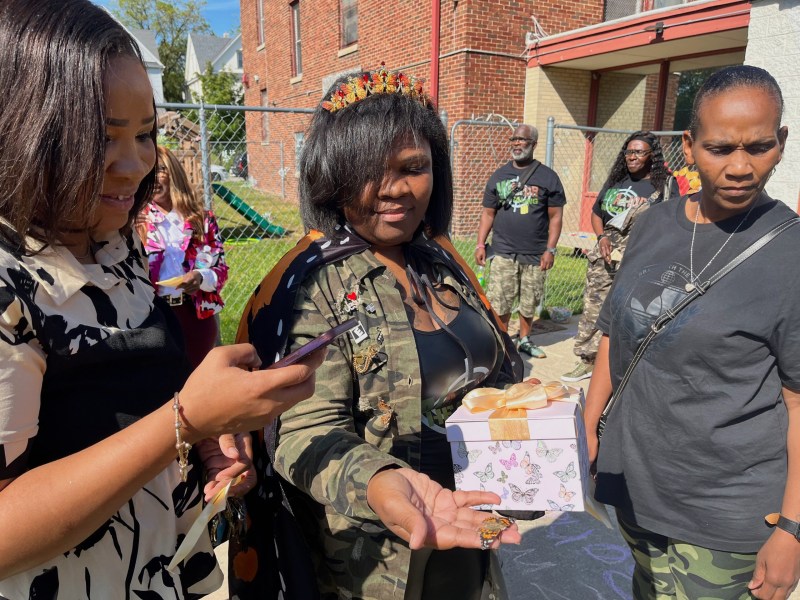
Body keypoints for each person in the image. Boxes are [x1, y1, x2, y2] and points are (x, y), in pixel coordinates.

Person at [0, 1, 330, 596]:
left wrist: (206, 441)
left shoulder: (113, 244)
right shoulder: (10, 283)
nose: (135, 165)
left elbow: (135, 404)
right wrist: (186, 419)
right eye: (103, 137)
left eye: (145, 134)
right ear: (26, 128)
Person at [231, 66, 524, 599]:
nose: (393, 189)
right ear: (331, 177)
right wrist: (378, 482)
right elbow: (301, 433)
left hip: (470, 520)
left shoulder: (442, 260)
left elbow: (493, 370)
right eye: (367, 170)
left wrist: (525, 425)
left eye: (413, 167)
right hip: (374, 557)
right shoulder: (310, 284)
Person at [584, 65, 800, 600]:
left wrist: (794, 529)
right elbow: (615, 331)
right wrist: (587, 426)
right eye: (720, 148)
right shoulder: (654, 224)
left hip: (725, 513)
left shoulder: (791, 254)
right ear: (688, 145)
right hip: (635, 486)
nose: (741, 167)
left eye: (760, 147)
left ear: (781, 141)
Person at [562, 131, 676, 382]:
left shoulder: (665, 185)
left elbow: (672, 221)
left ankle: (628, 362)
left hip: (642, 258)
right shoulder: (616, 182)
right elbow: (596, 213)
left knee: (635, 311)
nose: (632, 157)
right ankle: (588, 361)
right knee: (594, 307)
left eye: (639, 152)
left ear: (652, 155)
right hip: (606, 257)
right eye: (629, 152)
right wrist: (601, 237)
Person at [475, 124, 566, 359]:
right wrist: (480, 243)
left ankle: (525, 339)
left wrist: (551, 249)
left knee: (529, 302)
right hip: (503, 252)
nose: (516, 143)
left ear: (534, 144)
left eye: (522, 140)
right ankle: (503, 342)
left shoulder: (548, 177)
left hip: (535, 254)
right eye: (513, 139)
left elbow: (556, 217)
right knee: (500, 301)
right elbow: (488, 213)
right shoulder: (499, 175)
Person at [139, 146, 228, 368]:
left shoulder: (201, 220)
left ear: (173, 174)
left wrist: (201, 276)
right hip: (154, 315)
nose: (153, 178)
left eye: (160, 170)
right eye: (148, 172)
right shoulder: (137, 222)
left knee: (200, 374)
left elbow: (220, 268)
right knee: (162, 377)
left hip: (195, 313)